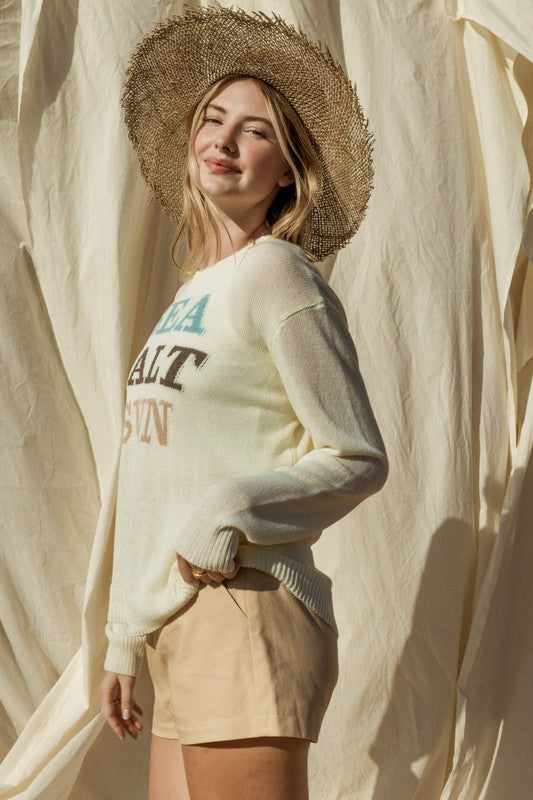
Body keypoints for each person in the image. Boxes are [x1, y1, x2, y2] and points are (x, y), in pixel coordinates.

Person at [98, 7, 388, 800]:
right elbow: (157, 473)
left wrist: (229, 506)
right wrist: (125, 636)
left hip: (244, 605)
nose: (223, 140)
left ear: (287, 169)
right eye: (213, 119)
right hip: (181, 621)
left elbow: (358, 456)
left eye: (254, 131)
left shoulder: (278, 277)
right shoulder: (192, 293)